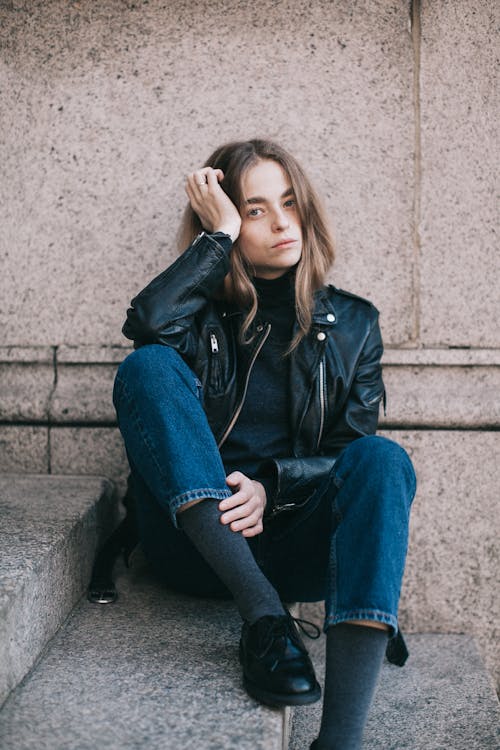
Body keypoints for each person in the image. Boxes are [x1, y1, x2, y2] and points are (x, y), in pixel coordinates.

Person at [112, 139, 416, 750]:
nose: (280, 222)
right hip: (198, 546)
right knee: (146, 367)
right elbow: (145, 325)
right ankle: (266, 621)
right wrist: (216, 236)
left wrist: (273, 486)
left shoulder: (356, 325)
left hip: (297, 544)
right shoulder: (194, 315)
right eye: (253, 210)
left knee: (384, 460)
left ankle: (340, 741)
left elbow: (349, 455)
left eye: (289, 202)